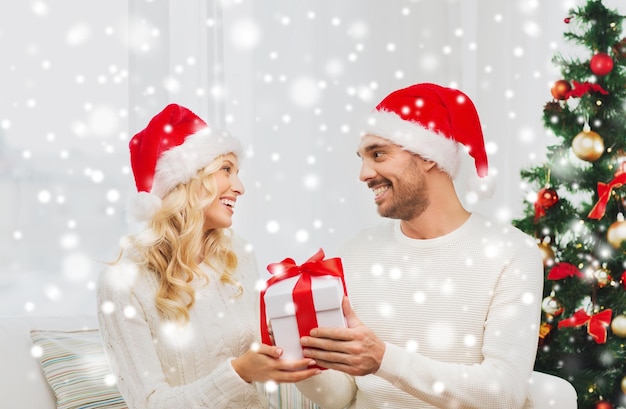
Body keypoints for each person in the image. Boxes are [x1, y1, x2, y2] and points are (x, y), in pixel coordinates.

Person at [295, 83, 544, 408]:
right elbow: (342, 395)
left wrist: (384, 359)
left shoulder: (512, 253)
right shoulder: (355, 252)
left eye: (378, 154)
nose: (364, 173)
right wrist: (300, 360)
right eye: (363, 158)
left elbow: (502, 393)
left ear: (428, 157)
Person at [97, 103, 319, 409]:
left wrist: (284, 333)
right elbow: (149, 404)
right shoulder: (124, 281)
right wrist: (238, 373)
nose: (239, 187)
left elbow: (252, 354)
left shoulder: (236, 254)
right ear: (186, 181)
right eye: (226, 169)